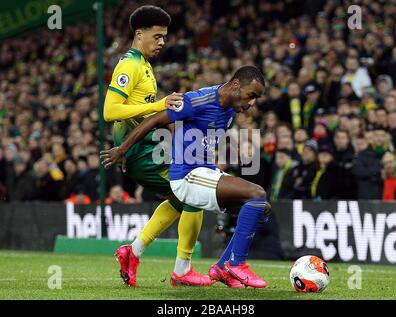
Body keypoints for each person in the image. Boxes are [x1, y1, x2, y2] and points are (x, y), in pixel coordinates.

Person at [101, 66, 270, 288]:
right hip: (187, 176)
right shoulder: (198, 100)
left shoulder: (229, 109)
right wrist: (123, 149)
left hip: (204, 171)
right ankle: (232, 264)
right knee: (256, 194)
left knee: (262, 207)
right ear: (236, 85)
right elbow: (154, 121)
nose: (252, 103)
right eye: (252, 95)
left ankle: (222, 267)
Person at [103, 5, 212, 287]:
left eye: (164, 37)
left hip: (145, 148)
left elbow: (141, 113)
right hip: (142, 154)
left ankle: (133, 252)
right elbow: (110, 111)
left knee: (180, 200)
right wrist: (159, 105)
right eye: (157, 36)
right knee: (193, 196)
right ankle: (182, 270)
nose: (162, 42)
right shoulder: (129, 65)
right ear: (139, 35)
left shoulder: (145, 66)